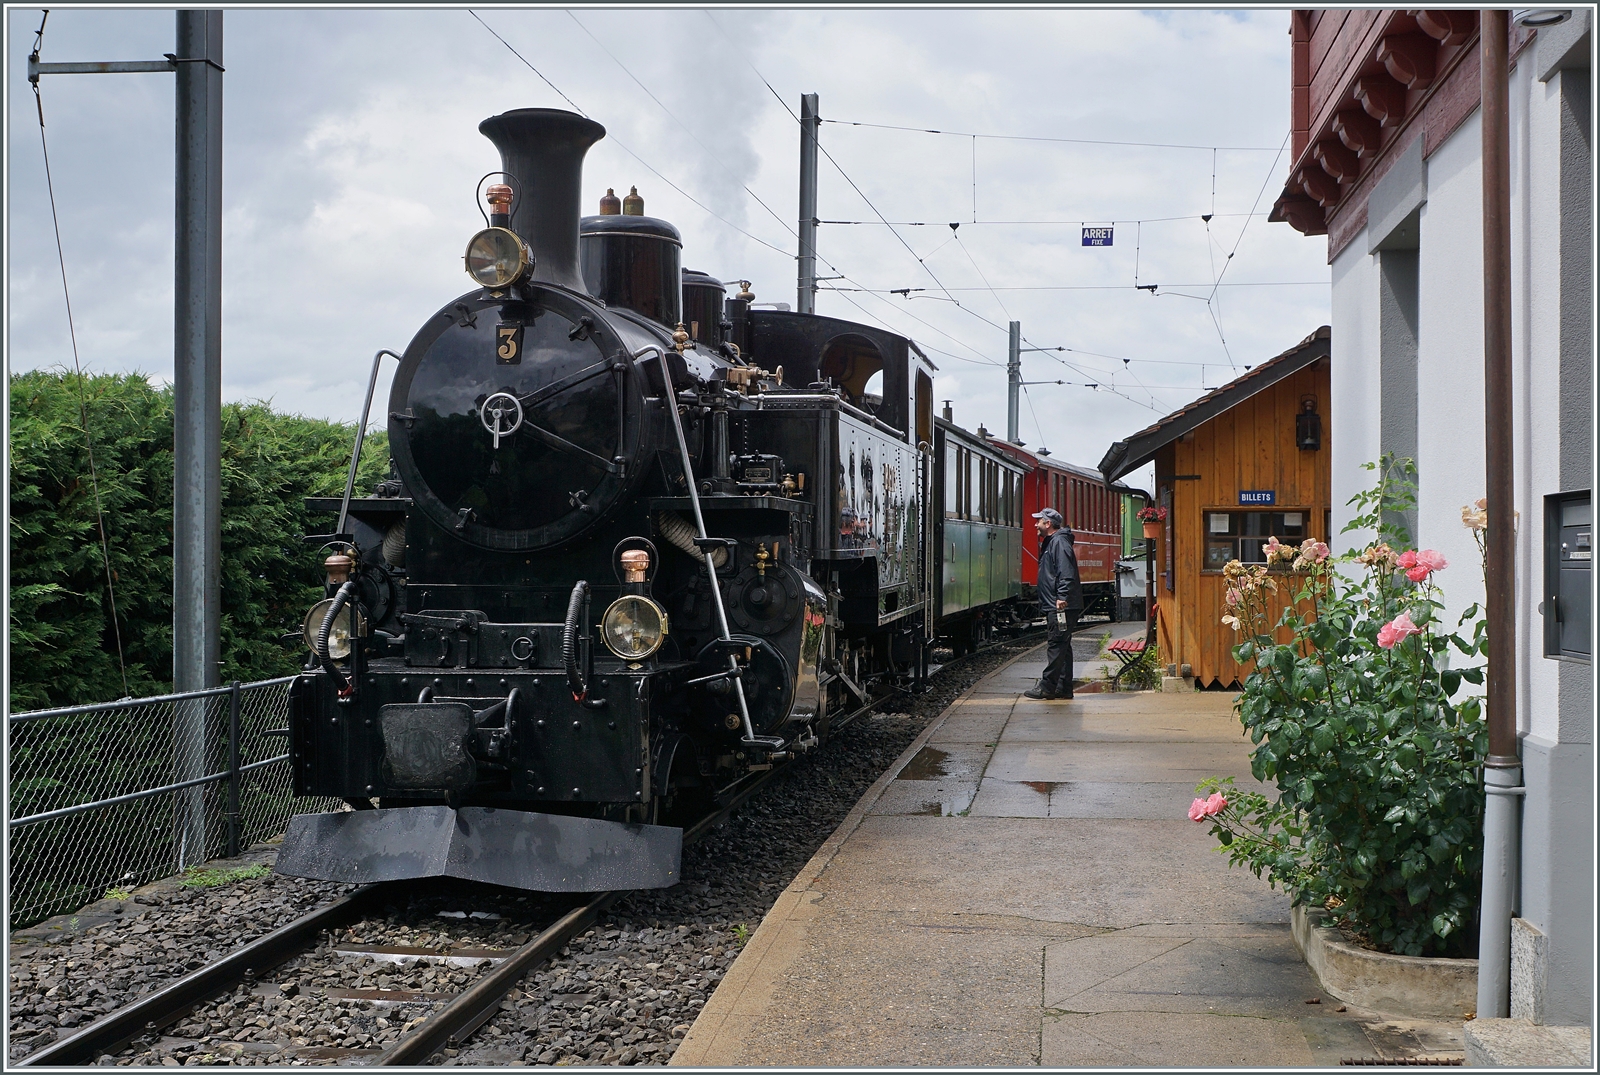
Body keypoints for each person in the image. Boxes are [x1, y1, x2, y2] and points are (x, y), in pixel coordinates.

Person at [1026, 508, 1083, 700]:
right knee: (1063, 646)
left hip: (1060, 605)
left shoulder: (1058, 542)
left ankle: (1047, 687)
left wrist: (1062, 597)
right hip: (1059, 603)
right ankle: (1063, 687)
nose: (1036, 525)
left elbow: (1066, 572)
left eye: (1038, 521)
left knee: (1056, 644)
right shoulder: (1055, 542)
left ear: (1048, 524)